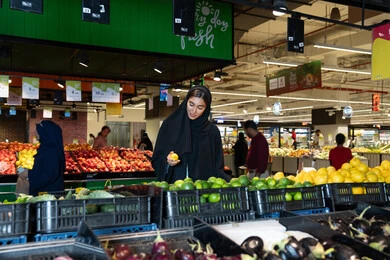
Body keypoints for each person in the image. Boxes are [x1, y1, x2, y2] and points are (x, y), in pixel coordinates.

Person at [152, 85, 231, 183]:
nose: (193, 111)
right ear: (186, 101)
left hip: (202, 192)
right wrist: (167, 162)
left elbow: (218, 168)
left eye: (200, 107)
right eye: (191, 104)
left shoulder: (212, 132)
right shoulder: (170, 126)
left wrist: (233, 182)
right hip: (175, 191)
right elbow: (156, 159)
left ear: (206, 109)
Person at [28, 120, 65, 196]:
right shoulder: (49, 149)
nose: (35, 133)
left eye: (38, 130)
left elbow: (46, 176)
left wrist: (28, 174)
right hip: (49, 194)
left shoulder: (50, 152)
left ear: (45, 133)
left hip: (47, 197)